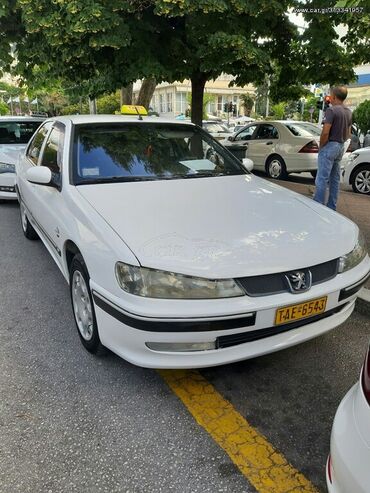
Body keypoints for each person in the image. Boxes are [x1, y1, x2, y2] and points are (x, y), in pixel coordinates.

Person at [313, 86, 352, 211]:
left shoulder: (331, 111)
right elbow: (348, 133)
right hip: (340, 146)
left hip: (330, 145)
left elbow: (325, 132)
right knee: (334, 179)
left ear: (334, 97)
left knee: (322, 178)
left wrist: (322, 146)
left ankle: (318, 206)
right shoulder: (348, 112)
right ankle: (331, 207)